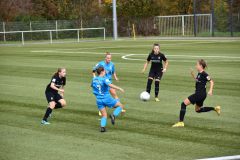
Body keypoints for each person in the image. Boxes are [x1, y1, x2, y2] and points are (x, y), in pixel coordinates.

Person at [172, 59, 221, 127]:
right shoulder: (199, 73)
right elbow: (198, 80)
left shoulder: (204, 74)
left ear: (201, 66)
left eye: (197, 64)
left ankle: (181, 122)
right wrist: (192, 75)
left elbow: (212, 82)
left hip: (199, 94)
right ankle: (215, 108)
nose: (196, 66)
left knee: (183, 104)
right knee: (198, 110)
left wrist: (210, 90)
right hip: (202, 95)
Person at [91, 66, 125, 132]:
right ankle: (113, 115)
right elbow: (110, 85)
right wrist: (119, 88)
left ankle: (102, 128)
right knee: (120, 106)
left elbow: (93, 87)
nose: (105, 72)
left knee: (104, 115)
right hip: (106, 98)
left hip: (98, 100)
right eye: (104, 71)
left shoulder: (94, 79)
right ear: (101, 72)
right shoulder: (104, 79)